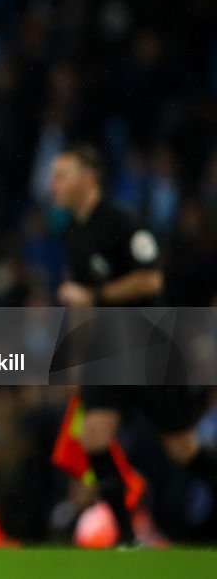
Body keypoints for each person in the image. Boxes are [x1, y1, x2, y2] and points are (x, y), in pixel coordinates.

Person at [50, 144, 216, 545]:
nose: (54, 184)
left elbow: (152, 280)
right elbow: (79, 301)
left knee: (182, 449)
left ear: (89, 177)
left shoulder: (121, 221)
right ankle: (125, 539)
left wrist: (98, 296)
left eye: (63, 174)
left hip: (148, 345)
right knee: (94, 438)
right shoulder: (74, 234)